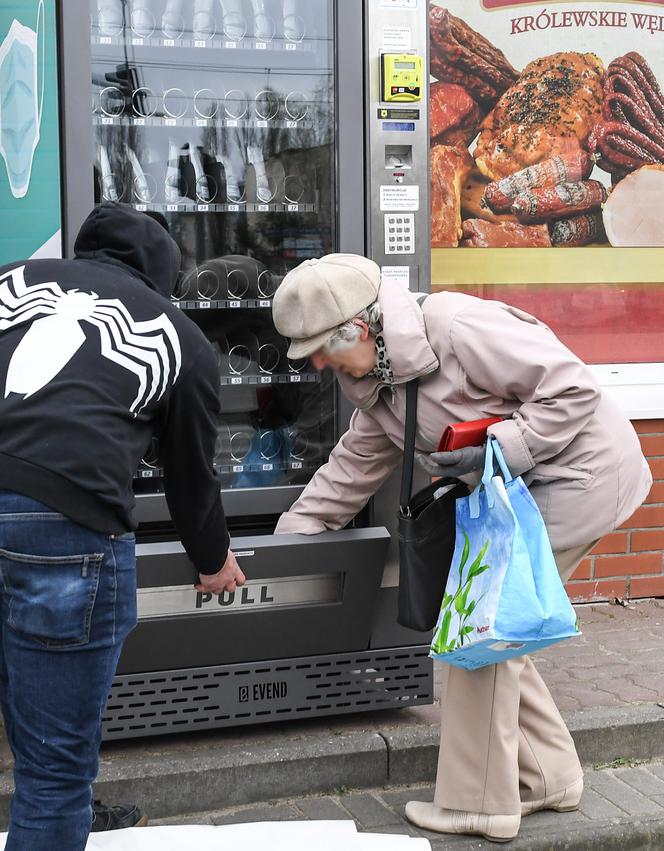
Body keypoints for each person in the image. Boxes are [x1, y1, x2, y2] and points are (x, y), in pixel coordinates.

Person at [272, 253, 652, 843]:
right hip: (522, 492)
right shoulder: (380, 381)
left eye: (320, 349)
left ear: (360, 328)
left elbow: (572, 388)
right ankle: (549, 776)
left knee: (478, 636)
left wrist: (497, 446)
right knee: (499, 638)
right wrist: (284, 548)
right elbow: (349, 469)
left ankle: (480, 804)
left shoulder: (455, 326)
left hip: (579, 476)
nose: (319, 365)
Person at [0, 203, 245, 850]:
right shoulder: (178, 333)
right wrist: (213, 555)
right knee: (53, 773)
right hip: (65, 528)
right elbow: (190, 474)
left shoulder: (11, 280)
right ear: (162, 270)